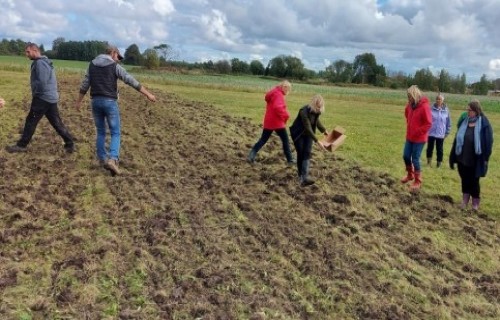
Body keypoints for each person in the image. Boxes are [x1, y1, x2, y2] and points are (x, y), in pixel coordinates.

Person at [75, 44, 156, 175]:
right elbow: (130, 80)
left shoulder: (92, 65)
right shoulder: (114, 66)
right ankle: (113, 159)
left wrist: (78, 102)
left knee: (101, 132)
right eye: (117, 56)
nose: (118, 59)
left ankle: (102, 159)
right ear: (112, 53)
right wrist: (148, 94)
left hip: (95, 101)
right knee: (115, 132)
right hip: (109, 102)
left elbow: (85, 84)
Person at [5, 43, 74, 153]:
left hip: (42, 98)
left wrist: (36, 93)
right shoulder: (43, 62)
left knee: (31, 121)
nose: (26, 54)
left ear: (35, 50)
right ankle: (69, 143)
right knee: (56, 122)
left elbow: (42, 82)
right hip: (50, 97)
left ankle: (21, 145)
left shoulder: (40, 63)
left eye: (28, 52)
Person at [449, 100, 493, 211]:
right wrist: (453, 155)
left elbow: (488, 142)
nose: (467, 112)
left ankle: (475, 203)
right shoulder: (464, 122)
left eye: (470, 110)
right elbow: (457, 139)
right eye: (467, 109)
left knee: (474, 181)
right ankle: (464, 200)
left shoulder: (484, 124)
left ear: (476, 111)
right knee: (464, 179)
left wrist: (486, 158)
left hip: (476, 159)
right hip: (462, 157)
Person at [247, 80, 295, 164]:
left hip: (269, 121)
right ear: (284, 87)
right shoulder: (279, 94)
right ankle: (290, 160)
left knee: (263, 140)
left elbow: (273, 104)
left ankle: (251, 155)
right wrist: (286, 115)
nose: (288, 91)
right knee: (285, 140)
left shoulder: (273, 93)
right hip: (277, 122)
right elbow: (277, 107)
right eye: (288, 89)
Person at [289, 94, 328, 186]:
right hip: (298, 134)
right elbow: (307, 127)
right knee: (301, 153)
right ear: (314, 104)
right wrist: (317, 141)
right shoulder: (304, 111)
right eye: (317, 106)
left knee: (307, 152)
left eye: (320, 107)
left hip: (308, 135)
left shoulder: (316, 111)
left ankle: (304, 177)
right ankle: (300, 176)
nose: (319, 109)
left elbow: (316, 121)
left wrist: (324, 130)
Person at [401, 85, 432, 191]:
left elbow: (428, 124)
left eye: (410, 96)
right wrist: (410, 126)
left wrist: (417, 131)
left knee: (415, 159)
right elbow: (407, 114)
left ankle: (417, 181)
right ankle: (410, 175)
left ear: (415, 95)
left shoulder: (424, 107)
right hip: (409, 137)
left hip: (419, 139)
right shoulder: (409, 105)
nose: (408, 99)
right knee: (405, 156)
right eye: (408, 96)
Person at [426, 93, 451, 168]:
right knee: (430, 148)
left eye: (440, 99)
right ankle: (428, 162)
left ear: (443, 100)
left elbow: (448, 122)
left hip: (441, 133)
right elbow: (427, 120)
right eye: (437, 99)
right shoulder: (431, 109)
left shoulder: (446, 110)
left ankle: (438, 164)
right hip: (431, 133)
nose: (438, 100)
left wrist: (447, 132)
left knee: (439, 149)